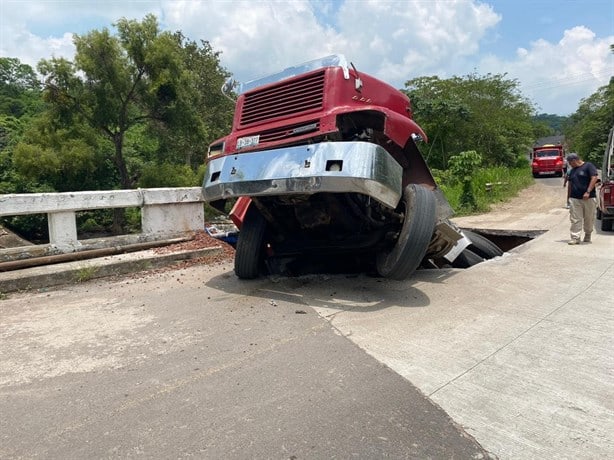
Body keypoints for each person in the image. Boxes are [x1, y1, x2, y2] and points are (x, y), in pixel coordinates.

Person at [565, 153, 599, 244]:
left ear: (574, 160)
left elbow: (594, 177)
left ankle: (588, 234)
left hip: (589, 198)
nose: (569, 164)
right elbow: (570, 185)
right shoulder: (572, 171)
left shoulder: (588, 166)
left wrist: (588, 191)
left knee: (589, 218)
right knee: (575, 218)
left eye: (570, 162)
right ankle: (575, 237)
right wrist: (568, 198)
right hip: (575, 198)